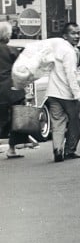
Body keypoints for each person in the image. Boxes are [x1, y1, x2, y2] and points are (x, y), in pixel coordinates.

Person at [47, 23, 80, 162]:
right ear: (65, 35)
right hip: (67, 94)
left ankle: (58, 149)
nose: (77, 36)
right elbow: (70, 75)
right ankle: (70, 150)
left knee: (57, 123)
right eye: (73, 33)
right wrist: (78, 95)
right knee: (75, 123)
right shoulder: (69, 52)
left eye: (78, 33)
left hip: (53, 92)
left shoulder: (56, 49)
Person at [0, 21, 35, 159]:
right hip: (12, 90)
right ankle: (12, 149)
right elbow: (21, 71)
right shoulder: (12, 51)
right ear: (6, 35)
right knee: (16, 119)